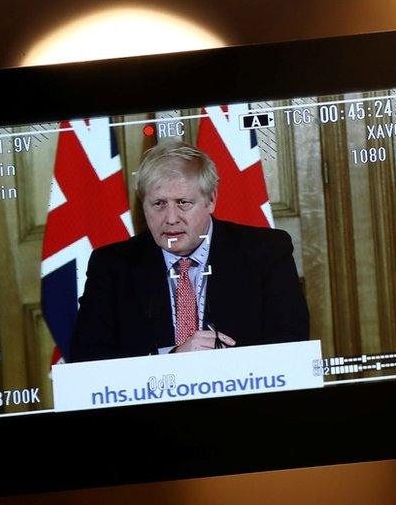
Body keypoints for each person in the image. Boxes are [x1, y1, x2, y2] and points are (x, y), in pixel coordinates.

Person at [68, 139, 309, 362]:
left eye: (183, 203)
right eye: (158, 204)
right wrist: (171, 359)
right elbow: (88, 359)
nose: (171, 219)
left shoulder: (266, 252)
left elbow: (291, 343)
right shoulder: (112, 265)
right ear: (143, 204)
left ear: (211, 199)